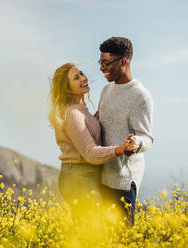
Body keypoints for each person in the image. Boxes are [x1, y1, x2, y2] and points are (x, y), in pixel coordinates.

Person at [48, 62, 138, 221]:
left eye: (81, 73)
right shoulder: (74, 113)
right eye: (76, 78)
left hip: (81, 175)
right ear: (67, 88)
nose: (83, 78)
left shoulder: (79, 108)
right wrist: (120, 149)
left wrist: (96, 119)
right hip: (79, 177)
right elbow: (89, 152)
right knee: (91, 231)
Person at [98, 37, 154, 225]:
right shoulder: (105, 90)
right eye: (100, 62)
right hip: (102, 176)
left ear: (123, 61)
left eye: (106, 63)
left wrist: (136, 143)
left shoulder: (141, 95)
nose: (101, 68)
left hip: (123, 181)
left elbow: (147, 137)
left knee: (123, 239)